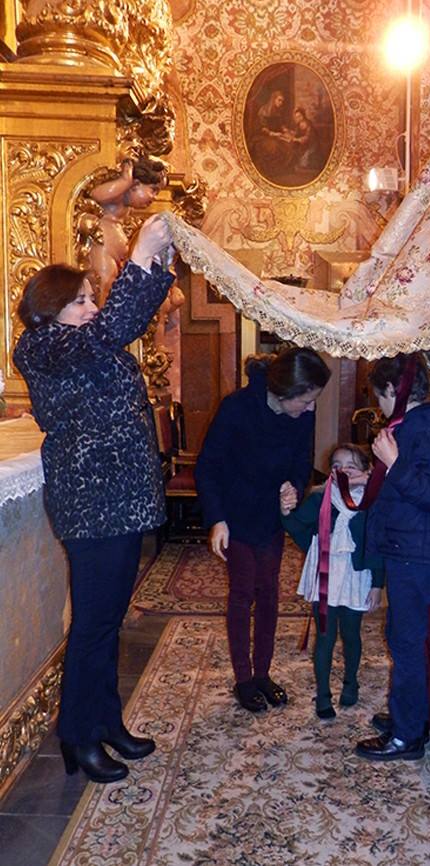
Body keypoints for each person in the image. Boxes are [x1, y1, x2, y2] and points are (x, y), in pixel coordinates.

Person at [13, 215, 175, 783]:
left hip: (120, 498)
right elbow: (115, 327)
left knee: (108, 622)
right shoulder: (42, 347)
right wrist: (141, 256)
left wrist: (158, 264)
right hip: (92, 502)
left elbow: (125, 322)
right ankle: (78, 737)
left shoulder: (82, 345)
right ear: (49, 308)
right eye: (80, 300)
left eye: (90, 298)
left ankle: (106, 721)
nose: (90, 307)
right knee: (92, 625)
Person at [194, 348, 331, 713]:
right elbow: (208, 467)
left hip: (270, 517)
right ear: (285, 392)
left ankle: (263, 674)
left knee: (269, 593)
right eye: (306, 400)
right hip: (235, 515)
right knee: (242, 593)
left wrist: (293, 487)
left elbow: (301, 462)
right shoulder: (237, 408)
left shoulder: (301, 415)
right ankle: (244, 680)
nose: (311, 409)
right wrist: (217, 519)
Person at [355, 353, 430, 761]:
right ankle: (410, 716)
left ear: (391, 390)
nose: (379, 404)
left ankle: (407, 735)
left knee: (407, 643)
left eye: (379, 395)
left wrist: (393, 463)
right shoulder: (414, 425)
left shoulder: (424, 429)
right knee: (403, 638)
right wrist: (376, 474)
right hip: (410, 547)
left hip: (417, 554)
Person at [281, 443, 384, 720]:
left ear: (366, 471)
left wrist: (377, 584)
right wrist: (286, 512)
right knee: (325, 636)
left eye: (351, 466)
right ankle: (323, 694)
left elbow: (377, 546)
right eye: (337, 466)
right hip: (326, 574)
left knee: (351, 634)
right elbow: (298, 527)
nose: (343, 471)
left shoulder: (373, 501)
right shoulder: (321, 498)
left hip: (355, 577)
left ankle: (351, 682)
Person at [87, 156, 167, 303]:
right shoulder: (117, 195)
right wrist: (124, 181)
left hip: (117, 253)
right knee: (103, 288)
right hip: (103, 246)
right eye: (153, 190)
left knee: (113, 290)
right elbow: (96, 194)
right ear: (135, 184)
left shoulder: (128, 206)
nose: (155, 197)